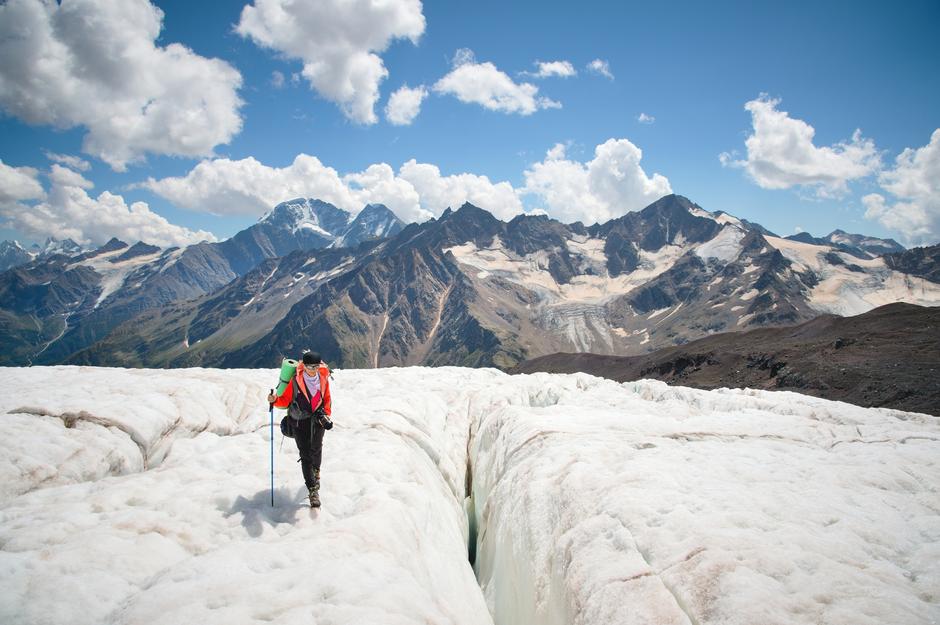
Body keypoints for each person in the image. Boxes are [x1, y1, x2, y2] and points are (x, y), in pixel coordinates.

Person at [268, 352, 333, 507]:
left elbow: (327, 398)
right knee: (305, 455)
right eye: (310, 366)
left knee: (316, 449)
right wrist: (274, 400)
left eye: (316, 366)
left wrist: (326, 415)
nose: (313, 369)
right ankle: (312, 490)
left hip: (317, 420)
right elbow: (284, 400)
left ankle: (316, 472)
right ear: (304, 365)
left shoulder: (323, 378)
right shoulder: (296, 381)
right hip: (299, 422)